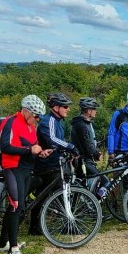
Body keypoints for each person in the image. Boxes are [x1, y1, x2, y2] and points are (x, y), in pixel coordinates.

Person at [0, 95, 49, 254]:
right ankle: (13, 248)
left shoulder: (30, 125)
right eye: (36, 116)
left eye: (40, 116)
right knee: (16, 206)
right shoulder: (11, 122)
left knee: (20, 206)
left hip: (26, 169)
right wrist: (29, 150)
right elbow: (4, 146)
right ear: (26, 111)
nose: (38, 119)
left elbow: (30, 146)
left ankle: (3, 242)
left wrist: (39, 153)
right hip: (13, 168)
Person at [31, 92, 78, 234]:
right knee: (57, 193)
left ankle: (35, 227)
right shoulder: (48, 121)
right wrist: (70, 147)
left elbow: (57, 143)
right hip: (46, 166)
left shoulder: (58, 122)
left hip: (53, 164)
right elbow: (52, 139)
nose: (68, 109)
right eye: (65, 106)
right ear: (56, 107)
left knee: (43, 196)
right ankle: (67, 225)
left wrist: (67, 153)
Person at [70, 97, 102, 187]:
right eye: (94, 109)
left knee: (87, 186)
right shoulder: (82, 125)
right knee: (103, 181)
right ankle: (93, 201)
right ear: (88, 111)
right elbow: (88, 146)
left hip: (84, 161)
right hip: (84, 161)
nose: (96, 111)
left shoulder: (83, 123)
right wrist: (97, 154)